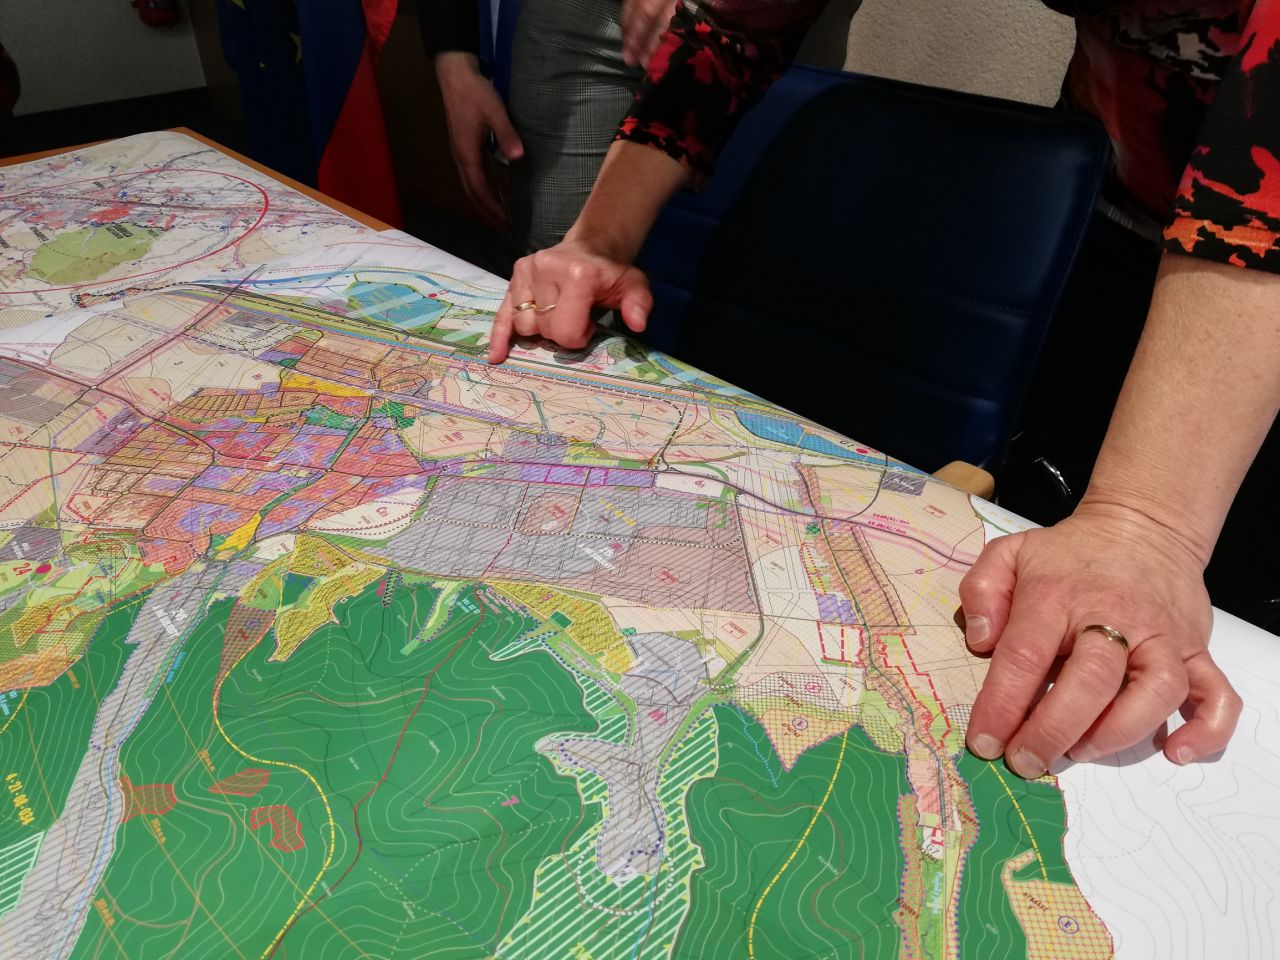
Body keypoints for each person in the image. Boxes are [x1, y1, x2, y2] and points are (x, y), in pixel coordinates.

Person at [485, 0, 1280, 778]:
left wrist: (1149, 528)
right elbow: (740, 24)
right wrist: (598, 241)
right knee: (1054, 571)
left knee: (1200, 618)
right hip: (1115, 206)